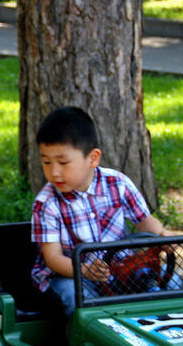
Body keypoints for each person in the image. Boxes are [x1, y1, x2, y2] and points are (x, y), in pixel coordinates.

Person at [30, 106, 168, 317]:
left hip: (120, 269)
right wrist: (84, 270)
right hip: (70, 274)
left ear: (93, 158)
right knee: (75, 294)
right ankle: (80, 345)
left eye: (63, 162)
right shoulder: (46, 204)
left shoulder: (118, 184)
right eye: (46, 162)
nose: (54, 172)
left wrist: (165, 239)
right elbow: (53, 259)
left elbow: (147, 224)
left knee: (171, 280)